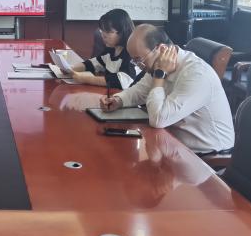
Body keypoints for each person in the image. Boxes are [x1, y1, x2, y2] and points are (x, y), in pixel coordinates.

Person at [100, 25, 234, 154]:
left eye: (139, 59)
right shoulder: (158, 63)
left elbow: (158, 119)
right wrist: (118, 100)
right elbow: (140, 91)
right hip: (173, 141)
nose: (138, 66)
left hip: (205, 153)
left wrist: (160, 74)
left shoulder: (197, 74)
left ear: (161, 49)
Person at [69, 8, 141, 88]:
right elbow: (94, 63)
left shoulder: (131, 53)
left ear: (122, 31)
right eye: (102, 31)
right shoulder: (111, 49)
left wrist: (84, 79)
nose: (103, 35)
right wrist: (71, 69)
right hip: (112, 93)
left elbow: (120, 81)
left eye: (108, 32)